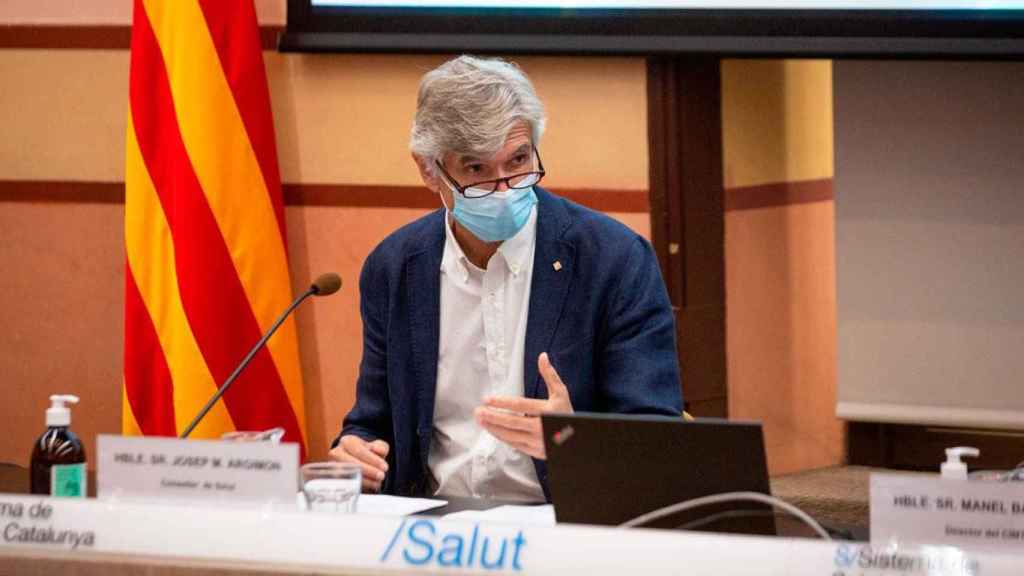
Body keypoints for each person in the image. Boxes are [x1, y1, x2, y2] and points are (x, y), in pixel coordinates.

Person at [328, 55, 682, 502]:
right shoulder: (395, 267)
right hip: (432, 531)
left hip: (561, 526)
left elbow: (658, 439)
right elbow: (373, 422)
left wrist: (574, 440)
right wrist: (355, 451)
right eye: (476, 170)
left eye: (518, 161)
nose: (504, 189)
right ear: (429, 169)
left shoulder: (612, 260)